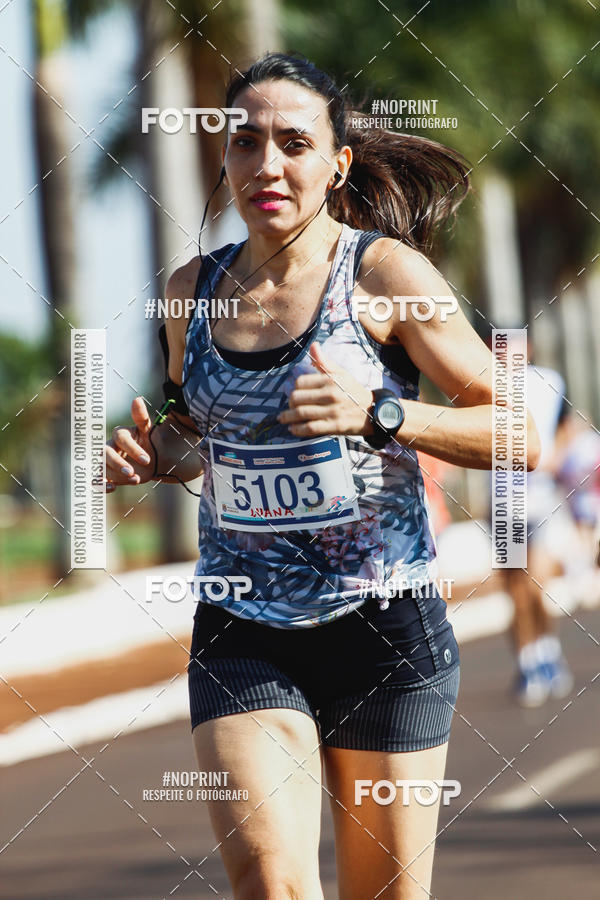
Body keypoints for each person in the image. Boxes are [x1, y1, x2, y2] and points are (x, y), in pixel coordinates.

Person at [105, 52, 540, 900]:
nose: (268, 164)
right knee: (272, 882)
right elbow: (209, 441)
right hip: (243, 628)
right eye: (246, 141)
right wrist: (163, 459)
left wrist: (383, 413)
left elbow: (519, 431)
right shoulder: (190, 293)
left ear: (337, 164)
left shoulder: (384, 277)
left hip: (385, 631)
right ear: (222, 158)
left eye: (295, 143)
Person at [502, 363, 575, 707]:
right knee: (516, 589)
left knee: (537, 585)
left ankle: (549, 652)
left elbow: (567, 427)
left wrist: (553, 459)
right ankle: (528, 662)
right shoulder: (479, 377)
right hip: (503, 502)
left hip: (540, 497)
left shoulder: (549, 381)